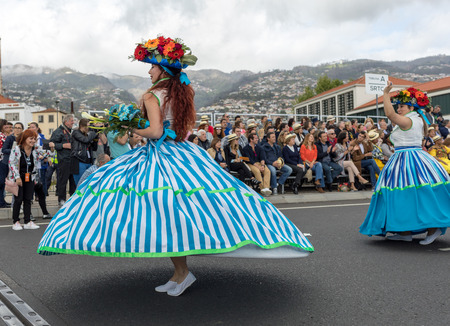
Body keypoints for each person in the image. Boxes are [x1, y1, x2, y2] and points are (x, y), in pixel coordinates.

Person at [37, 35, 314, 297]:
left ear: (161, 68)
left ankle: (182, 273)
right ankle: (180, 273)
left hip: (160, 155)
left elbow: (156, 132)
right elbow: (175, 128)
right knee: (176, 211)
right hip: (182, 154)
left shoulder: (152, 95)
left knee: (159, 208)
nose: (148, 72)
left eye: (151, 67)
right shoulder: (180, 92)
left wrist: (127, 126)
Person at [360, 83, 450, 245]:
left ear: (411, 108)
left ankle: (432, 228)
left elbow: (390, 114)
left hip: (410, 159)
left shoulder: (410, 121)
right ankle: (404, 231)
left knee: (417, 195)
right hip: (403, 159)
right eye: (398, 106)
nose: (398, 109)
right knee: (402, 196)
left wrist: (385, 94)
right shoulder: (414, 120)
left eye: (402, 106)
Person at [8, 130, 41, 230]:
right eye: (31, 138)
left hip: (29, 177)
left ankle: (27, 221)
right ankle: (16, 221)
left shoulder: (35, 149)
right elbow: (11, 163)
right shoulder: (17, 149)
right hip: (18, 177)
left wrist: (52, 149)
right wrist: (17, 177)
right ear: (24, 139)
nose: (33, 141)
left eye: (34, 139)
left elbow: (47, 153)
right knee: (18, 200)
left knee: (28, 199)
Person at [50, 114, 76, 206]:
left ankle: (73, 198)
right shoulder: (58, 131)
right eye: (72, 121)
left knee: (73, 181)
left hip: (73, 159)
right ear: (66, 122)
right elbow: (51, 144)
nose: (73, 122)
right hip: (64, 160)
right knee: (63, 180)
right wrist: (63, 145)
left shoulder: (72, 131)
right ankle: (61, 199)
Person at [71, 118, 98, 186]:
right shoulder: (76, 133)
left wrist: (96, 138)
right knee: (80, 185)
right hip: (79, 161)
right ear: (82, 126)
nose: (89, 128)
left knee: (88, 184)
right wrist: (93, 132)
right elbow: (85, 140)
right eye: (88, 126)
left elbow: (94, 148)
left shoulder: (88, 135)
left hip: (88, 162)